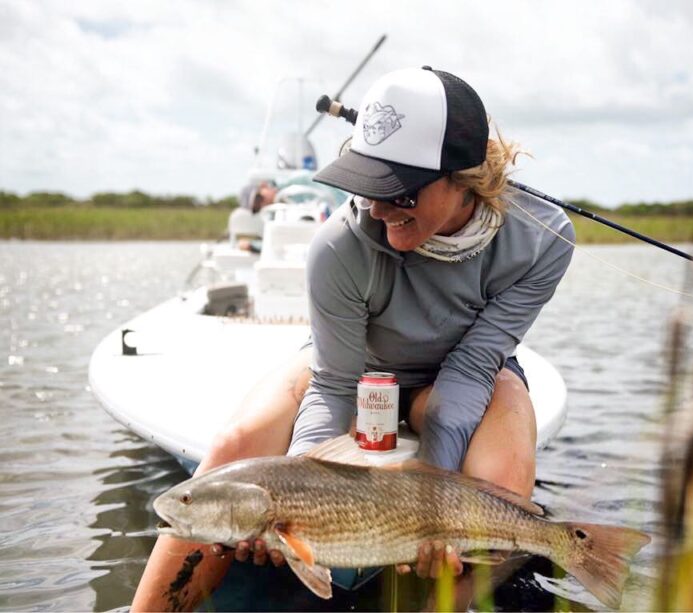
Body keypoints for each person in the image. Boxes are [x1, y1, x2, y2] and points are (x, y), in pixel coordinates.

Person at [131, 66, 574, 612]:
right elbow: (336, 381)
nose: (379, 209)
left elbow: (474, 367)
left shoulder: (544, 240)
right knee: (232, 449)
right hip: (352, 367)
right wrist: (295, 507)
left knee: (502, 487)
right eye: (368, 186)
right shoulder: (337, 245)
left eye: (400, 192)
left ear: (462, 178)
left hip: (466, 373)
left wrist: (429, 514)